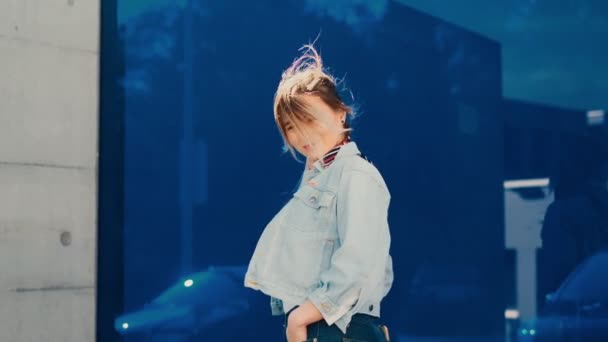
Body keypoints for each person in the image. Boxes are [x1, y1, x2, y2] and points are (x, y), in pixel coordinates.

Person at [244, 43, 393, 342]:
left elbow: (357, 265)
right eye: (290, 127)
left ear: (340, 114)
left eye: (309, 120)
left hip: (338, 328)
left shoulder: (356, 175)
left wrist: (300, 318)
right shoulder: (322, 178)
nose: (301, 135)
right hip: (327, 327)